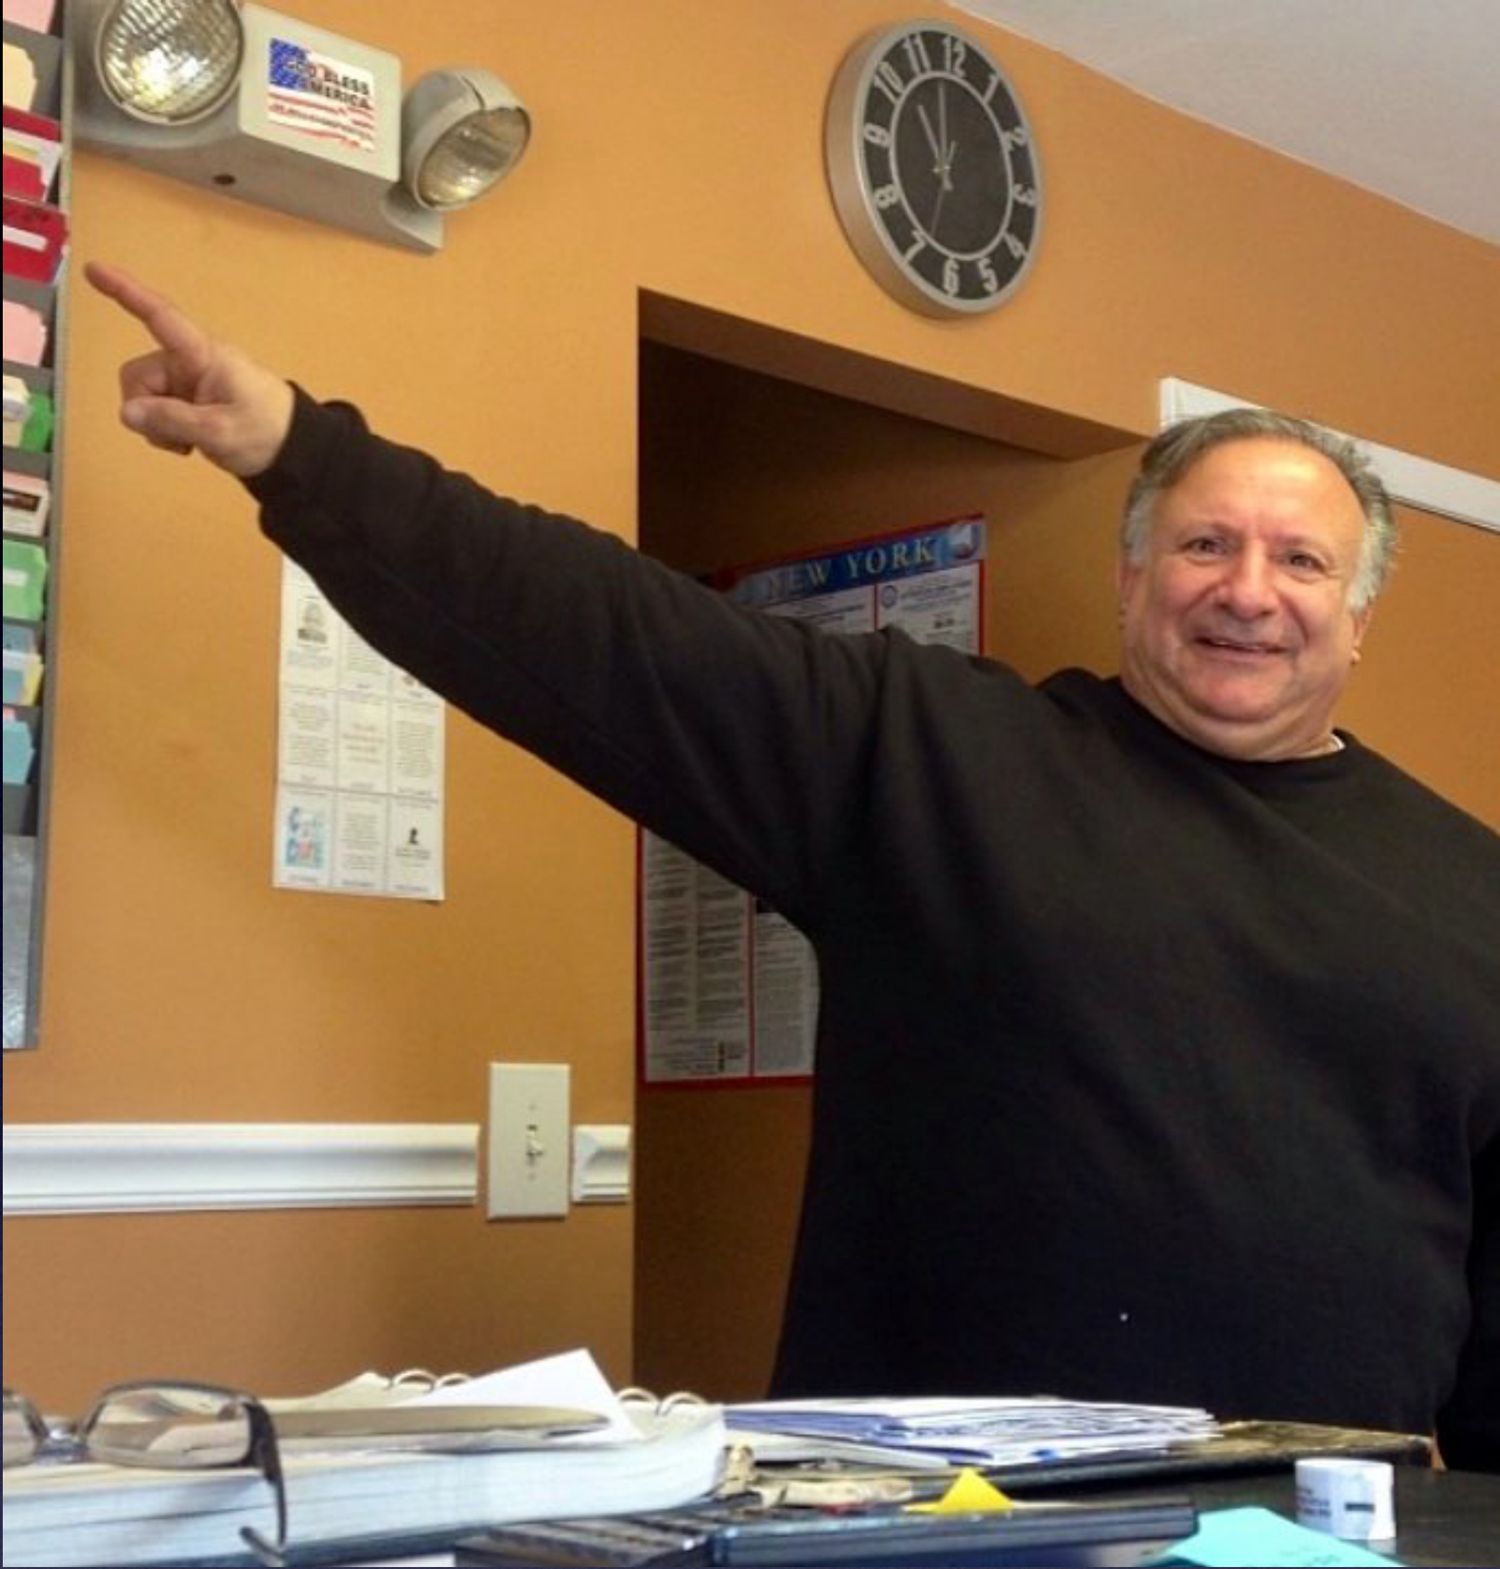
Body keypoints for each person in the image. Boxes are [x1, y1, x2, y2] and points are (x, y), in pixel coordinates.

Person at [86, 262, 1498, 1471]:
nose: (1249, 589)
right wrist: (302, 454)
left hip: (1328, 1527)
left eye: (1302, 561)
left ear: (1356, 616)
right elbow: (608, 635)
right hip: (935, 1524)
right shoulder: (925, 755)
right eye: (1205, 542)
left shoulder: (1469, 890)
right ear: (1132, 579)